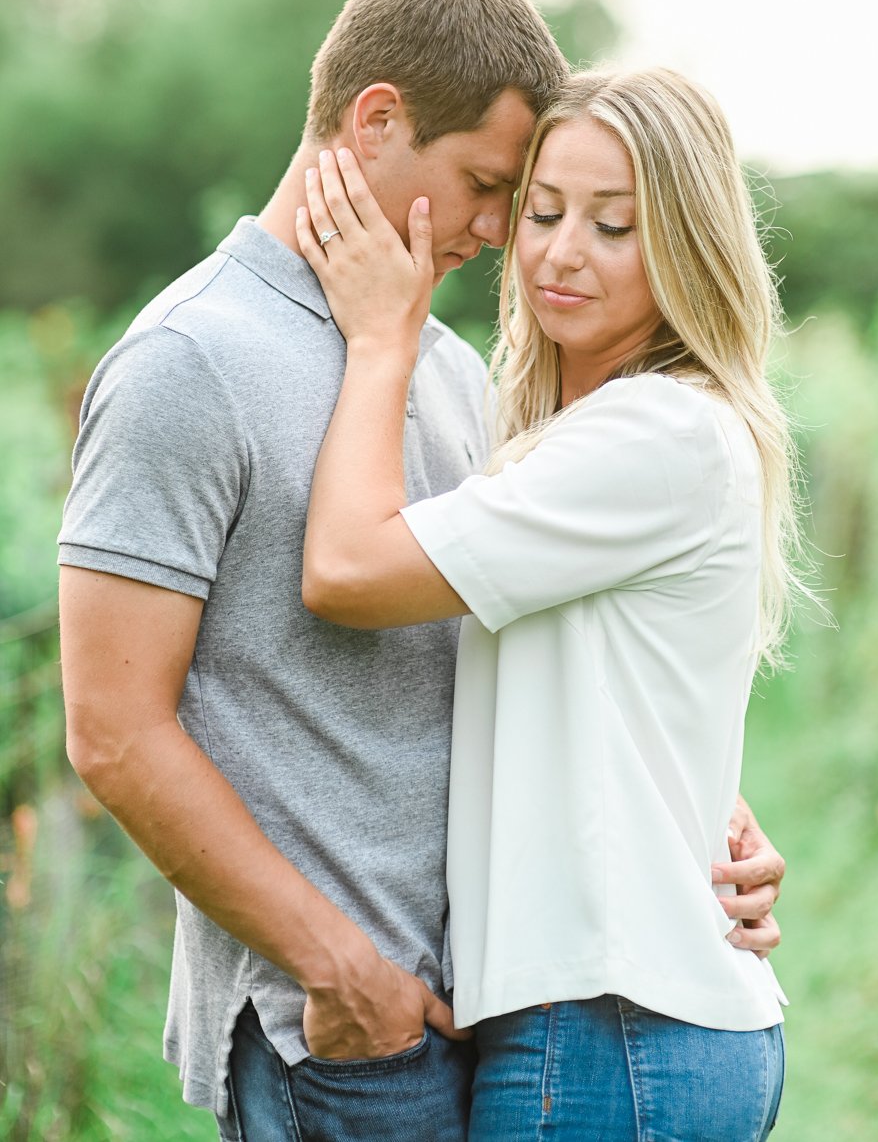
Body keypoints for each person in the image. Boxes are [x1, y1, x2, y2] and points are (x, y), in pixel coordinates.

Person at [58, 0, 785, 1142]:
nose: (507, 237)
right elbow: (111, 730)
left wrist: (703, 809)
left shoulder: (443, 373)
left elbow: (528, 628)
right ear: (377, 122)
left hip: (493, 1007)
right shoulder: (188, 363)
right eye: (491, 188)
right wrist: (335, 968)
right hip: (343, 1023)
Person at [296, 65, 796, 1140]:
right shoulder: (573, 439)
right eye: (543, 210)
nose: (561, 252)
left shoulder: (652, 434)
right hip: (613, 1026)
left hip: (608, 1030)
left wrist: (383, 336)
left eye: (614, 225)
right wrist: (703, 806)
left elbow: (343, 571)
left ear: (687, 246)